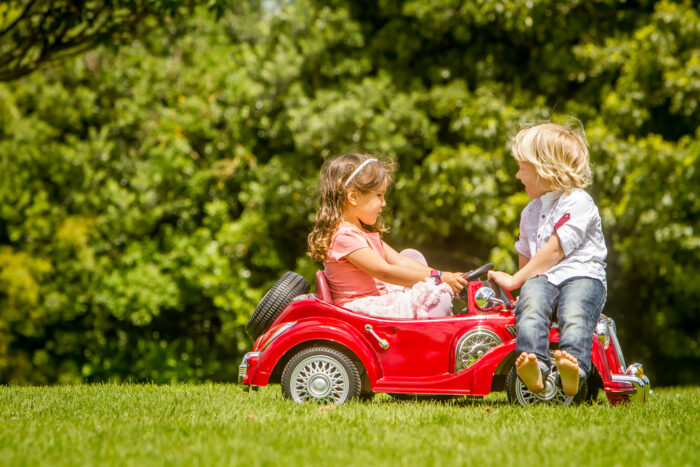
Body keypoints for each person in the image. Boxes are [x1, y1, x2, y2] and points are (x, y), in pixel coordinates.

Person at [488, 122, 607, 397]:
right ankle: (535, 366)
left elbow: (555, 250)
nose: (518, 175)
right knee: (529, 304)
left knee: (574, 312)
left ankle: (574, 367)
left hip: (582, 276)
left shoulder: (578, 202)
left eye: (522, 168)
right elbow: (527, 255)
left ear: (545, 168)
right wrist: (522, 288)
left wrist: (515, 280)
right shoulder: (530, 211)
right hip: (545, 279)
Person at [307, 153, 467, 319]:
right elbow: (384, 272)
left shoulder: (364, 233)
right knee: (437, 297)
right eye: (378, 195)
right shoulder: (344, 236)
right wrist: (440, 279)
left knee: (412, 257)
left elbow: (400, 261)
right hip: (360, 311)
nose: (383, 203)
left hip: (375, 301)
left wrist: (443, 275)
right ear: (353, 197)